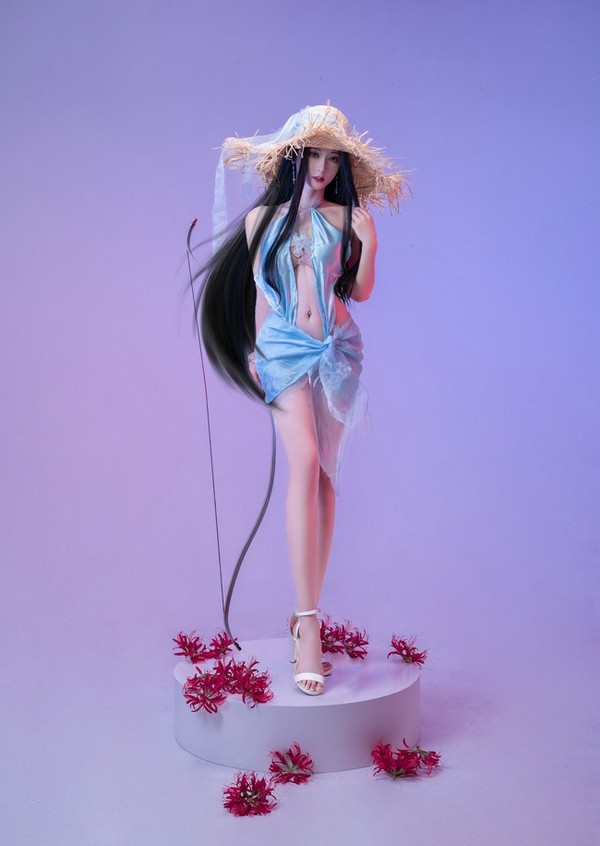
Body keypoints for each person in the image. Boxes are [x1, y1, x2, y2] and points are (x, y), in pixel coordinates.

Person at [198, 105, 408, 696]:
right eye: (313, 155)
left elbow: (360, 291)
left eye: (332, 158)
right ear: (294, 158)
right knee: (304, 464)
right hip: (284, 351)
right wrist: (253, 348)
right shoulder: (260, 221)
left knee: (325, 478)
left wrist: (370, 244)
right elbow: (261, 294)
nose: (322, 167)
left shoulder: (347, 217)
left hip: (337, 346)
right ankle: (309, 626)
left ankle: (303, 612)